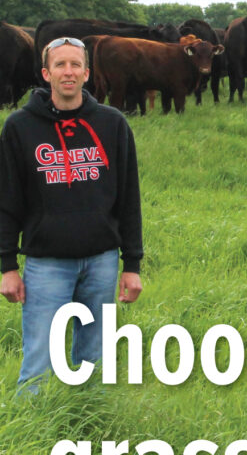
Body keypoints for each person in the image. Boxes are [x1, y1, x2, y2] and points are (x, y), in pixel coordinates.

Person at [0, 37, 143, 390]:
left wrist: (133, 265)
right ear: (46, 73)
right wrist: (6, 266)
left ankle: (89, 428)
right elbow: (7, 200)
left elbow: (129, 198)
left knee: (95, 359)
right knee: (38, 359)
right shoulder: (19, 127)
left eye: (75, 65)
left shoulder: (112, 124)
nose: (68, 72)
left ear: (87, 73)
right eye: (60, 65)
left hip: (102, 260)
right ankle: (33, 434)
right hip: (46, 262)